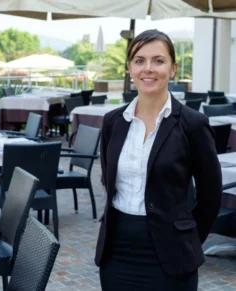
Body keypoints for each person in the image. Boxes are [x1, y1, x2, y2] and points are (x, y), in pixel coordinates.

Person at [95, 29, 222, 291]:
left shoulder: (193, 124)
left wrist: (187, 240)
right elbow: (110, 181)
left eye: (158, 60)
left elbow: (211, 197)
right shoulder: (113, 123)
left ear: (173, 68)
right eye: (139, 60)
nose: (148, 69)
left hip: (172, 257)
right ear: (129, 68)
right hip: (117, 254)